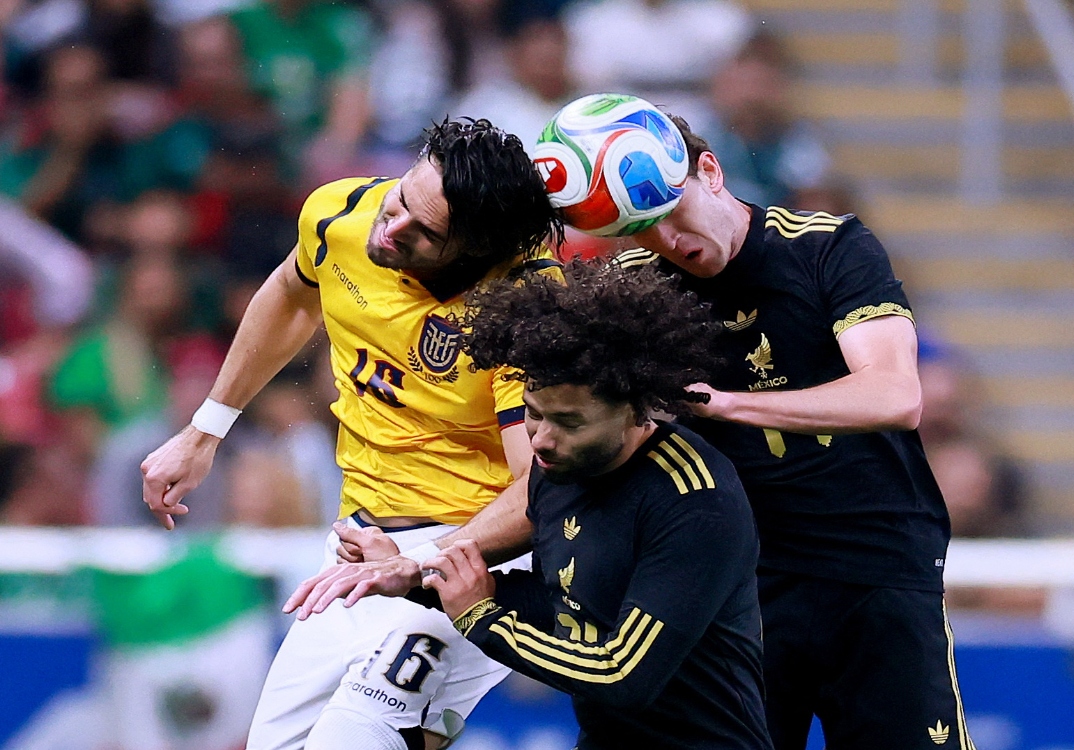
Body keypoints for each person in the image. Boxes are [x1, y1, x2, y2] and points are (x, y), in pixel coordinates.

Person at [288, 105, 972, 750]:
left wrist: (725, 403)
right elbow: (563, 464)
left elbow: (893, 394)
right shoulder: (635, 291)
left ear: (709, 170)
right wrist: (423, 566)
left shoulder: (828, 248)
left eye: (670, 213)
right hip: (740, 586)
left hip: (875, 568)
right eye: (637, 230)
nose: (667, 242)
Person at [140, 117, 563, 750]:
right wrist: (206, 429)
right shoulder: (342, 212)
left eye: (425, 233)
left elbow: (541, 493)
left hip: (476, 558)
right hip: (359, 545)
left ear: (476, 251)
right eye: (400, 200)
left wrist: (417, 570)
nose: (390, 227)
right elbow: (291, 291)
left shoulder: (525, 307)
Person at [401, 261, 772, 749]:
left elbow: (622, 676)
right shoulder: (561, 468)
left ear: (635, 410)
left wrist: (481, 617)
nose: (542, 441)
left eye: (570, 422)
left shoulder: (695, 501)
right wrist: (416, 578)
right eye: (534, 415)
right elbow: (569, 606)